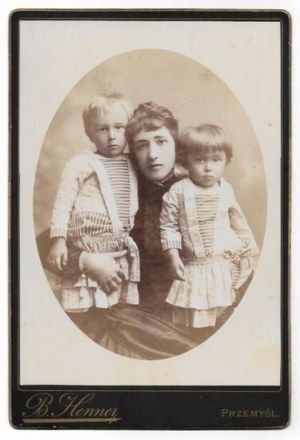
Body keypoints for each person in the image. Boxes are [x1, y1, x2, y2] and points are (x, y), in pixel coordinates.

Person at [46, 92, 140, 313]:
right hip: (87, 244)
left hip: (118, 248)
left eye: (119, 127)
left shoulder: (133, 163)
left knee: (114, 306)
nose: (112, 136)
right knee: (86, 306)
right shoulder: (80, 163)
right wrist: (59, 240)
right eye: (102, 129)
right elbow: (63, 203)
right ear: (90, 134)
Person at [160, 124, 259, 328]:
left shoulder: (226, 190)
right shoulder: (177, 191)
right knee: (198, 313)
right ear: (187, 161)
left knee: (226, 311)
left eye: (216, 160)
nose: (208, 168)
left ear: (226, 160)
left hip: (225, 263)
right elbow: (168, 225)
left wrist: (250, 251)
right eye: (200, 160)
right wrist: (172, 254)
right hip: (195, 266)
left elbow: (239, 222)